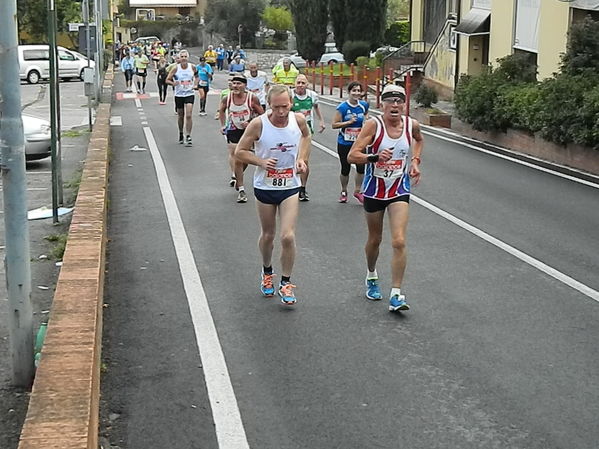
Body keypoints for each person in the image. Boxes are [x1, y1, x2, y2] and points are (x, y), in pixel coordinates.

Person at [347, 84, 423, 312]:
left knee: (399, 240)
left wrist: (416, 161)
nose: (395, 105)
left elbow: (419, 140)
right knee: (375, 239)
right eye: (390, 101)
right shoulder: (373, 125)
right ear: (382, 104)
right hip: (374, 189)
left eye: (399, 101)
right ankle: (371, 275)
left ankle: (396, 294)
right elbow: (352, 155)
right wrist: (374, 157)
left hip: (399, 188)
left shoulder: (412, 125)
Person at [234, 85, 311, 305]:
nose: (280, 111)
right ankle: (267, 272)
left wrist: (302, 159)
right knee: (268, 235)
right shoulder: (258, 124)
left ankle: (286, 283)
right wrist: (261, 162)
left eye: (285, 106)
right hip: (266, 186)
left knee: (287, 236)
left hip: (289, 185)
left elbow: (307, 137)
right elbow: (240, 151)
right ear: (269, 105)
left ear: (291, 103)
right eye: (276, 107)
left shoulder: (299, 120)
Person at [219, 74, 264, 202]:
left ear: (245, 85)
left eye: (239, 84)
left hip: (248, 131)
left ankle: (238, 176)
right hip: (233, 129)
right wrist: (223, 125)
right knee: (236, 156)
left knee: (245, 158)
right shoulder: (227, 98)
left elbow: (262, 114)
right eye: (234, 84)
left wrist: (251, 121)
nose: (235, 86)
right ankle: (241, 189)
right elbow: (221, 110)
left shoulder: (252, 98)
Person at [332, 81, 369, 203]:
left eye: (358, 91)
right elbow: (334, 124)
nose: (356, 93)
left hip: (359, 143)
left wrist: (366, 121)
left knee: (361, 167)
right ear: (349, 92)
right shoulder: (342, 107)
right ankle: (344, 191)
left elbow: (366, 116)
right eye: (354, 90)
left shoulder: (364, 105)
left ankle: (358, 191)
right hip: (344, 142)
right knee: (345, 168)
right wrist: (348, 123)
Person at [291, 74, 325, 201]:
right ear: (295, 84)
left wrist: (321, 121)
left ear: (307, 84)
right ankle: (292, 185)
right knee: (291, 158)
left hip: (307, 132)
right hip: (291, 131)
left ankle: (302, 188)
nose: (300, 85)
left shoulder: (312, 95)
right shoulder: (290, 95)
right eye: (298, 82)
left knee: (304, 161)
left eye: (303, 83)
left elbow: (316, 107)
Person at [166, 50, 198, 146]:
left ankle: (188, 135)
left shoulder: (192, 67)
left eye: (185, 56)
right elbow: (167, 79)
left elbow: (197, 76)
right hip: (179, 94)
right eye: (182, 56)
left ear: (188, 58)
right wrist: (173, 83)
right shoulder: (176, 68)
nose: (184, 58)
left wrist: (195, 84)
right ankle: (181, 133)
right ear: (179, 58)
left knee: (188, 115)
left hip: (189, 93)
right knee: (181, 116)